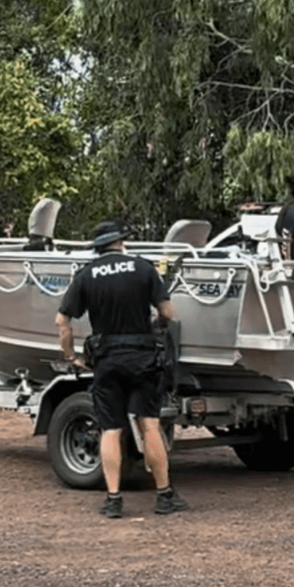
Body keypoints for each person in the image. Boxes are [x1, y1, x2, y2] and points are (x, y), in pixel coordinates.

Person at [56, 220, 186, 518]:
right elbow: (167, 311)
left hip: (108, 359)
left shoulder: (86, 275)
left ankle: (114, 500)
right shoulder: (143, 268)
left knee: (110, 430)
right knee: (149, 425)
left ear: (98, 246)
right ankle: (165, 495)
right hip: (142, 357)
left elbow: (61, 321)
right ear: (121, 242)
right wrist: (160, 325)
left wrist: (70, 355)